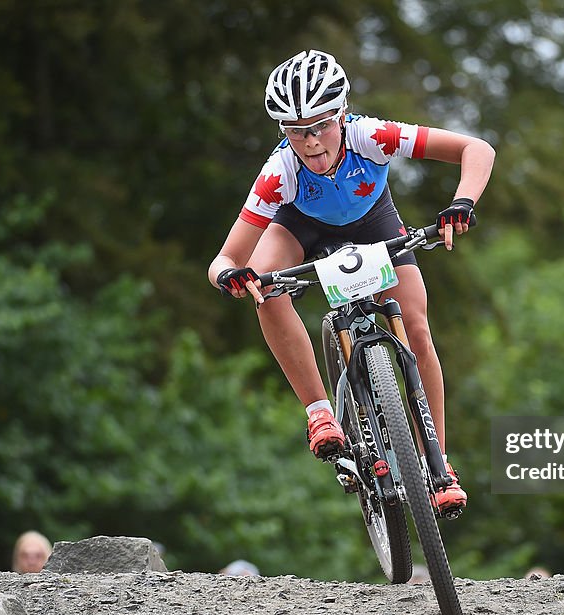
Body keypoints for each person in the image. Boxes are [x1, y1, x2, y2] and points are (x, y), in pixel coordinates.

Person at [208, 50, 495, 515]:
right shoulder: (279, 172)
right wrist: (230, 276)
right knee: (265, 288)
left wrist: (462, 201)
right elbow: (224, 258)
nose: (311, 142)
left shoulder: (372, 136)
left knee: (417, 330)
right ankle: (319, 412)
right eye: (296, 131)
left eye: (321, 125)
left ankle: (437, 464)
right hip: (300, 226)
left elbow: (476, 149)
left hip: (372, 222)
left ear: (342, 114)